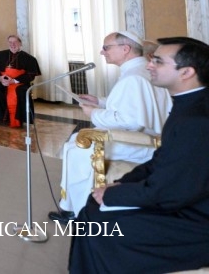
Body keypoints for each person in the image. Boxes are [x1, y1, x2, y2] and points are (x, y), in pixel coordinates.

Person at [68, 37, 209, 274]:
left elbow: (172, 191)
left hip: (196, 220)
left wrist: (114, 194)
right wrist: (122, 183)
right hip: (182, 200)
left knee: (100, 223)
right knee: (93, 210)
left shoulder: (196, 120)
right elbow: (162, 159)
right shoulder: (190, 103)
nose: (149, 65)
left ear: (186, 72)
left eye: (158, 61)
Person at [50, 31, 170, 222]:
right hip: (153, 135)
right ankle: (70, 202)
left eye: (106, 47)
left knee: (79, 148)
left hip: (142, 142)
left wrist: (93, 113)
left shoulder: (133, 77)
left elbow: (130, 121)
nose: (102, 52)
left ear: (125, 49)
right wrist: (99, 102)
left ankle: (78, 210)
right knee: (74, 141)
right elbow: (133, 104)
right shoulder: (143, 70)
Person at [0, 35, 40, 127]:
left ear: (20, 43)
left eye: (15, 42)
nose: (13, 44)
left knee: (22, 91)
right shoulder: (0, 55)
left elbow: (30, 75)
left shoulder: (29, 58)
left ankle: (17, 119)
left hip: (19, 82)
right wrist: (0, 78)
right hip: (2, 80)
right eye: (10, 42)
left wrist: (14, 81)